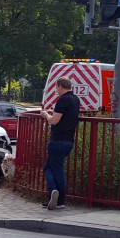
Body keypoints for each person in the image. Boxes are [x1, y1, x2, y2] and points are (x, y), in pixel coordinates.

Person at [40, 76, 80, 210]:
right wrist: (54, 114)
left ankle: (54, 193)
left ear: (60, 87)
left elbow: (54, 121)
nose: (56, 90)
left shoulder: (63, 100)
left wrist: (46, 115)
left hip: (57, 140)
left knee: (52, 169)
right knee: (55, 167)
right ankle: (58, 199)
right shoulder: (75, 100)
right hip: (69, 140)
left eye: (57, 87)